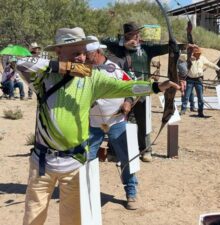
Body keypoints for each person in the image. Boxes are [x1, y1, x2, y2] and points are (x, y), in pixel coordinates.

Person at [16, 27, 180, 225]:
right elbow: (20, 62)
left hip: (74, 163)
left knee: (73, 220)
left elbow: (126, 86)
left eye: (84, 53)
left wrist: (155, 87)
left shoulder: (91, 78)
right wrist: (64, 67)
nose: (82, 58)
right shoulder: (43, 78)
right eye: (76, 53)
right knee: (33, 218)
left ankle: (131, 190)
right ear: (58, 51)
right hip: (42, 163)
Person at [102, 21, 176, 162]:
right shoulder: (118, 48)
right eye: (130, 34)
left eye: (136, 34)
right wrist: (122, 45)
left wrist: (177, 45)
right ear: (125, 35)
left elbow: (167, 47)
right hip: (122, 90)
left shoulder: (146, 48)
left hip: (142, 90)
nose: (134, 37)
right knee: (118, 121)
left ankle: (145, 150)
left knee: (143, 122)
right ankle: (114, 150)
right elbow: (102, 41)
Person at [86, 36, 138, 210]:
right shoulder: (84, 69)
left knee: (126, 157)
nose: (85, 57)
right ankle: (87, 193)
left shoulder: (114, 68)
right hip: (93, 124)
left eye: (88, 53)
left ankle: (131, 192)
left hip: (116, 121)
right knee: (87, 158)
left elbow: (131, 87)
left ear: (98, 52)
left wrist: (128, 102)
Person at [181, 46, 220, 118]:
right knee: (186, 96)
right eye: (196, 53)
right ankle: (183, 109)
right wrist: (189, 56)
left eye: (199, 53)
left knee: (200, 97)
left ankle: (200, 111)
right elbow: (180, 56)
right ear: (193, 53)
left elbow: (209, 64)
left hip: (199, 79)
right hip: (190, 79)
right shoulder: (188, 57)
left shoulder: (202, 58)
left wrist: (218, 68)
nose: (198, 55)